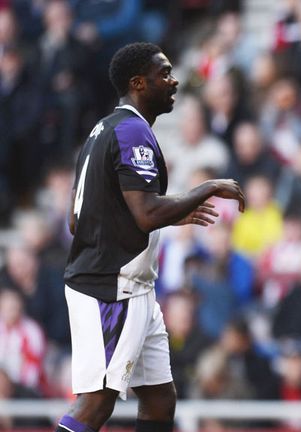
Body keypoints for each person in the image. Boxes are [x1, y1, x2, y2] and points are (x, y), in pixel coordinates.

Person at [56, 42, 245, 432]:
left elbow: (81, 219)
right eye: (164, 73)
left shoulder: (102, 130)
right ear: (138, 83)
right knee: (95, 404)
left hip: (134, 288)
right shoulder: (132, 132)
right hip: (111, 288)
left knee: (160, 399)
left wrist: (168, 214)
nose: (173, 81)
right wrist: (207, 186)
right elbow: (144, 214)